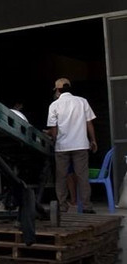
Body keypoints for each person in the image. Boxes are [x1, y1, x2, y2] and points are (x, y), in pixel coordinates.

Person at [46, 77, 97, 214]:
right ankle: (87, 206)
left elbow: (53, 128)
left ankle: (62, 206)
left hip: (62, 147)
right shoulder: (82, 102)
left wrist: (54, 140)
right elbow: (89, 123)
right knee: (82, 176)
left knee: (61, 177)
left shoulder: (54, 105)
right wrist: (93, 140)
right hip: (81, 145)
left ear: (58, 90)